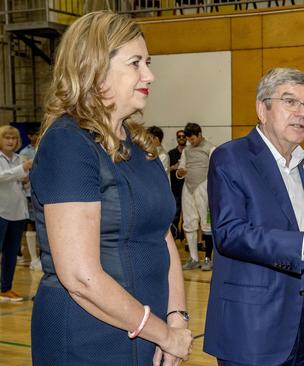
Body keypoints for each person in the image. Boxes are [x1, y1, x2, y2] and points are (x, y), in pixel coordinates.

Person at [29, 11, 192, 365]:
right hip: (88, 340)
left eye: (147, 62)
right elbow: (81, 278)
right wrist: (163, 333)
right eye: (135, 63)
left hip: (149, 333)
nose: (150, 75)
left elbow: (162, 236)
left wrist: (177, 316)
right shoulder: (68, 145)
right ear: (94, 69)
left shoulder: (140, 145)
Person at [204, 67, 304, 365]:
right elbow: (230, 233)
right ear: (263, 108)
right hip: (254, 324)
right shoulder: (231, 157)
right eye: (290, 101)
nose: (302, 112)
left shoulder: (300, 163)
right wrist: (302, 245)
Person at [176, 122, 215, 271]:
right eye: (189, 139)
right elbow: (181, 168)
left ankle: (208, 258)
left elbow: (215, 171)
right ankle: (193, 258)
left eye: (193, 139)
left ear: (199, 134)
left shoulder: (211, 149)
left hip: (204, 187)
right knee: (189, 222)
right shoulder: (186, 150)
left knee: (206, 224)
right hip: (188, 188)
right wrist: (180, 173)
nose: (191, 142)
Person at [0, 125, 31, 302]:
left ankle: (6, 288)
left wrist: (26, 180)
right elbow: (2, 176)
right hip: (1, 212)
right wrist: (21, 170)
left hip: (18, 213)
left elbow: (22, 185)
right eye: (7, 138)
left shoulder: (20, 158)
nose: (10, 141)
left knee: (11, 253)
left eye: (13, 138)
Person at [19, 127, 41, 271]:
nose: (35, 136)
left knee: (40, 225)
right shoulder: (24, 153)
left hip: (41, 190)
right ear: (29, 136)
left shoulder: (42, 147)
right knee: (31, 224)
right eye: (33, 134)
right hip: (28, 192)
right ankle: (33, 259)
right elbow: (23, 174)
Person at [168, 129, 186, 240]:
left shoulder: (190, 152)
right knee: (175, 214)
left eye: (184, 136)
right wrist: (174, 167)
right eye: (179, 136)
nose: (182, 138)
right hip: (175, 188)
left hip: (188, 187)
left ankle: (185, 238)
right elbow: (165, 169)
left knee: (189, 216)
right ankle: (174, 236)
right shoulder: (171, 153)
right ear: (177, 138)